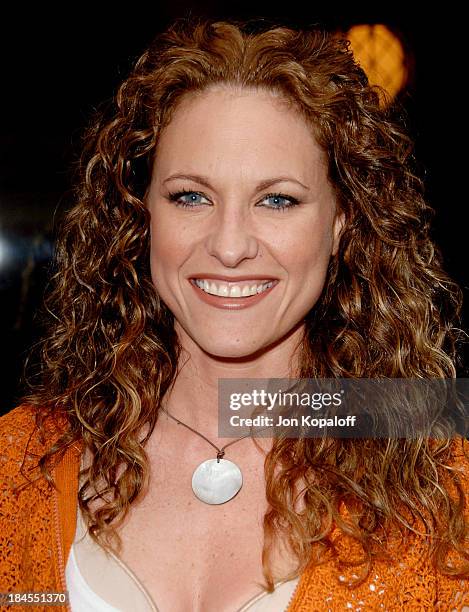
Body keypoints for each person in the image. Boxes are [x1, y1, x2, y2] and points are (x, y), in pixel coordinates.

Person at [1, 15, 468, 612]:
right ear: (142, 214)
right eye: (191, 196)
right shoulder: (16, 464)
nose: (228, 245)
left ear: (341, 226)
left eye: (277, 200)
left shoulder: (441, 486)